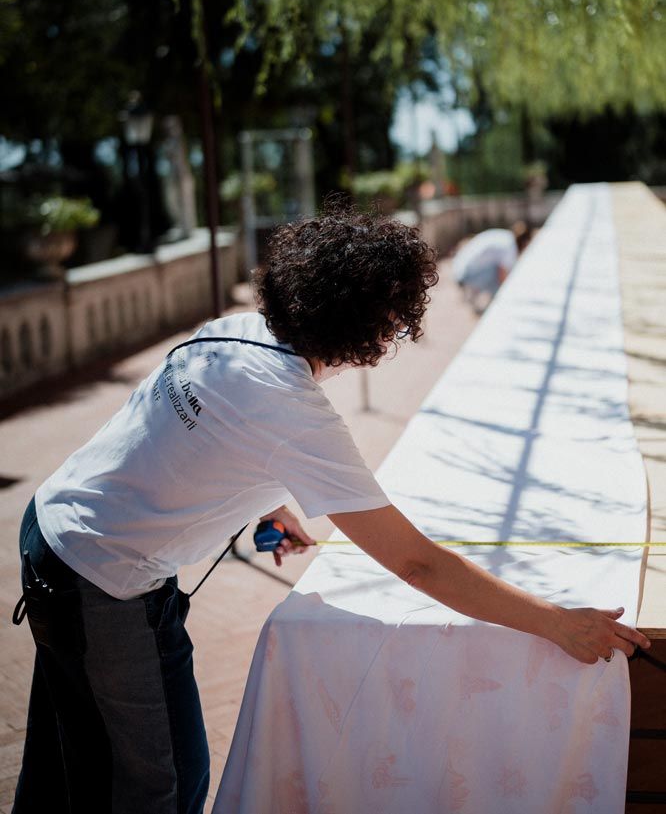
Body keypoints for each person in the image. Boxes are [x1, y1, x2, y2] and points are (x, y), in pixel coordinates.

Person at [13, 204, 649, 814]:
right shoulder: (294, 411)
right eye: (398, 322)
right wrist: (559, 623)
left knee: (73, 771)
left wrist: (266, 508)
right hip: (98, 578)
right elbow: (417, 565)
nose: (397, 334)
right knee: (156, 788)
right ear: (365, 324)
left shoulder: (235, 331)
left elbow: (185, 438)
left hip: (58, 534)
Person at [453, 220, 532, 312]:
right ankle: (497, 307)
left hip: (459, 269)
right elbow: (503, 277)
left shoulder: (506, 236)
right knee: (500, 277)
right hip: (464, 276)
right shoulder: (510, 247)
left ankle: (474, 298)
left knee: (500, 272)